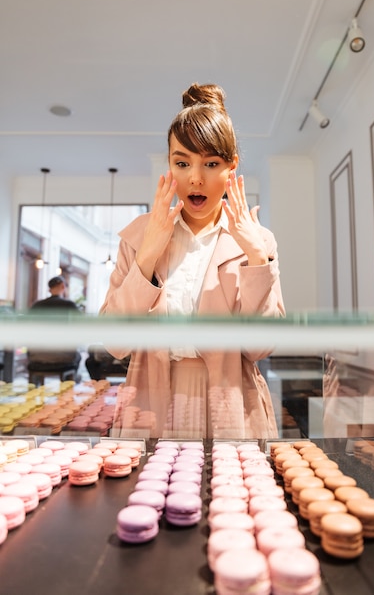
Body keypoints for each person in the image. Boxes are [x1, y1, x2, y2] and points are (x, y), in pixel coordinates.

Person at [100, 83, 285, 439]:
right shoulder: (140, 235)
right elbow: (114, 342)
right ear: (169, 163)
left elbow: (261, 347)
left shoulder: (258, 241)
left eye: (211, 163)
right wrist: (148, 255)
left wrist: (256, 258)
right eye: (181, 162)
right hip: (150, 400)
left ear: (232, 168)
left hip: (231, 403)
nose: (195, 178)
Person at [28, 276, 81, 383]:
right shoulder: (70, 305)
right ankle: (69, 383)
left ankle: (36, 386)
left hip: (37, 356)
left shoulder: (37, 305)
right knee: (78, 356)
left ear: (49, 289)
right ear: (63, 286)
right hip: (63, 357)